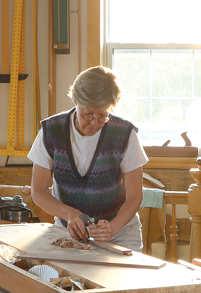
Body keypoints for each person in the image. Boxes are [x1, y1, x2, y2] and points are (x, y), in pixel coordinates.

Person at [28, 66, 149, 250]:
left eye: (103, 116)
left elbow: (135, 195)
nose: (94, 123)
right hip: (69, 232)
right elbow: (38, 192)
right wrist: (69, 214)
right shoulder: (50, 131)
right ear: (75, 100)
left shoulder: (125, 133)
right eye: (87, 114)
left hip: (121, 233)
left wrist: (112, 228)